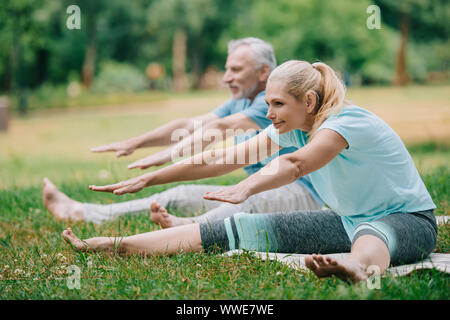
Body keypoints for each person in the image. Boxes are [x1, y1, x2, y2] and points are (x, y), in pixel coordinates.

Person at [63, 60, 437, 283]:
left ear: (308, 101)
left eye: (277, 104)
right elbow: (223, 158)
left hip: (408, 220)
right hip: (345, 220)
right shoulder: (291, 128)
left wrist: (249, 187)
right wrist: (152, 178)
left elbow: (296, 165)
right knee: (236, 228)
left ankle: (356, 266)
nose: (270, 113)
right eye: (267, 103)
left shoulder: (345, 123)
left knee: (374, 233)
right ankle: (125, 247)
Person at [43, 38, 322, 226]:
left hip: (303, 194)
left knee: (244, 203)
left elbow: (221, 129)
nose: (227, 77)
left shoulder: (275, 105)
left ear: (263, 72)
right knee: (182, 193)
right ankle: (84, 212)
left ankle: (185, 228)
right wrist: (137, 142)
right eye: (226, 69)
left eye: (236, 70)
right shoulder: (241, 100)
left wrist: (167, 156)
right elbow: (191, 125)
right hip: (258, 188)